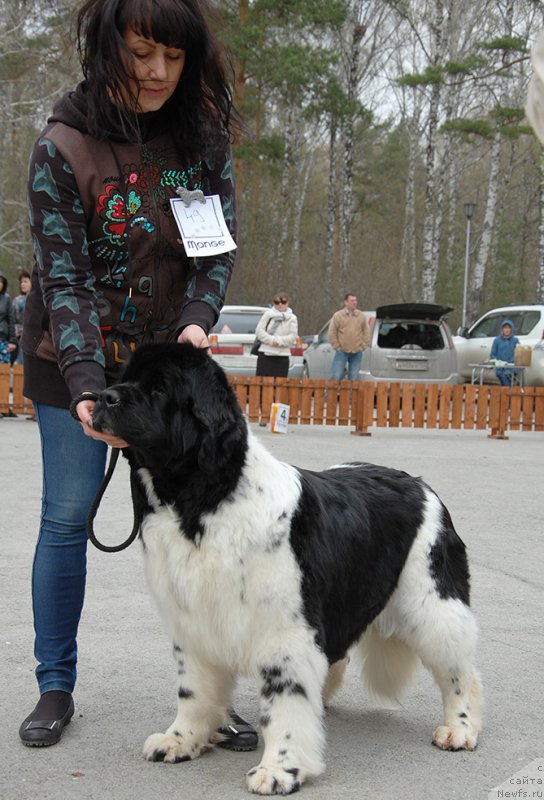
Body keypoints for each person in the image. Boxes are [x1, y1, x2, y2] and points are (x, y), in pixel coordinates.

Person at [19, 0, 256, 751]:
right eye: (142, 52)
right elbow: (66, 282)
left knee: (188, 532)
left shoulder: (200, 139)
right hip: (72, 362)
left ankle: (209, 697)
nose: (158, 72)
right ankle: (55, 684)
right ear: (108, 44)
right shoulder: (63, 146)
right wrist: (90, 385)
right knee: (65, 518)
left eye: (174, 58)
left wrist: (196, 319)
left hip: (163, 366)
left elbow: (215, 251)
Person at [254, 293, 298, 377]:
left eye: (283, 302)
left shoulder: (293, 318)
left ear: (287, 303)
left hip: (282, 356)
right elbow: (259, 331)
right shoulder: (268, 314)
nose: (280, 304)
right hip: (266, 354)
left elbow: (293, 336)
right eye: (277, 302)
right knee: (262, 384)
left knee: (279, 386)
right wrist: (272, 340)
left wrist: (279, 341)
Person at [329, 292, 371, 381]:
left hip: (357, 352)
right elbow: (332, 332)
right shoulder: (338, 315)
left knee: (354, 378)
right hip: (342, 351)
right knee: (337, 376)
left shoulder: (361, 315)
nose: (354, 302)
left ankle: (351, 395)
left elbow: (366, 332)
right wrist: (337, 346)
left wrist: (363, 346)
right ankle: (331, 394)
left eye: (355, 300)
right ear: (346, 302)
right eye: (352, 300)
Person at [490, 319, 520, 386]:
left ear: (511, 329)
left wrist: (509, 363)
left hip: (511, 368)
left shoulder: (515, 340)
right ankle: (508, 392)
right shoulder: (497, 340)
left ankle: (508, 392)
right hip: (500, 368)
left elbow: (518, 354)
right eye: (505, 327)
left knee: (506, 376)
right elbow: (492, 355)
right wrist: (498, 362)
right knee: (501, 375)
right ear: (502, 329)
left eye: (509, 328)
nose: (507, 330)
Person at [12, 270, 32, 365]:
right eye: (21, 282)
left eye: (25, 281)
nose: (22, 284)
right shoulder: (17, 300)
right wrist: (16, 330)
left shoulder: (38, 301)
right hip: (19, 337)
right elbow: (12, 319)